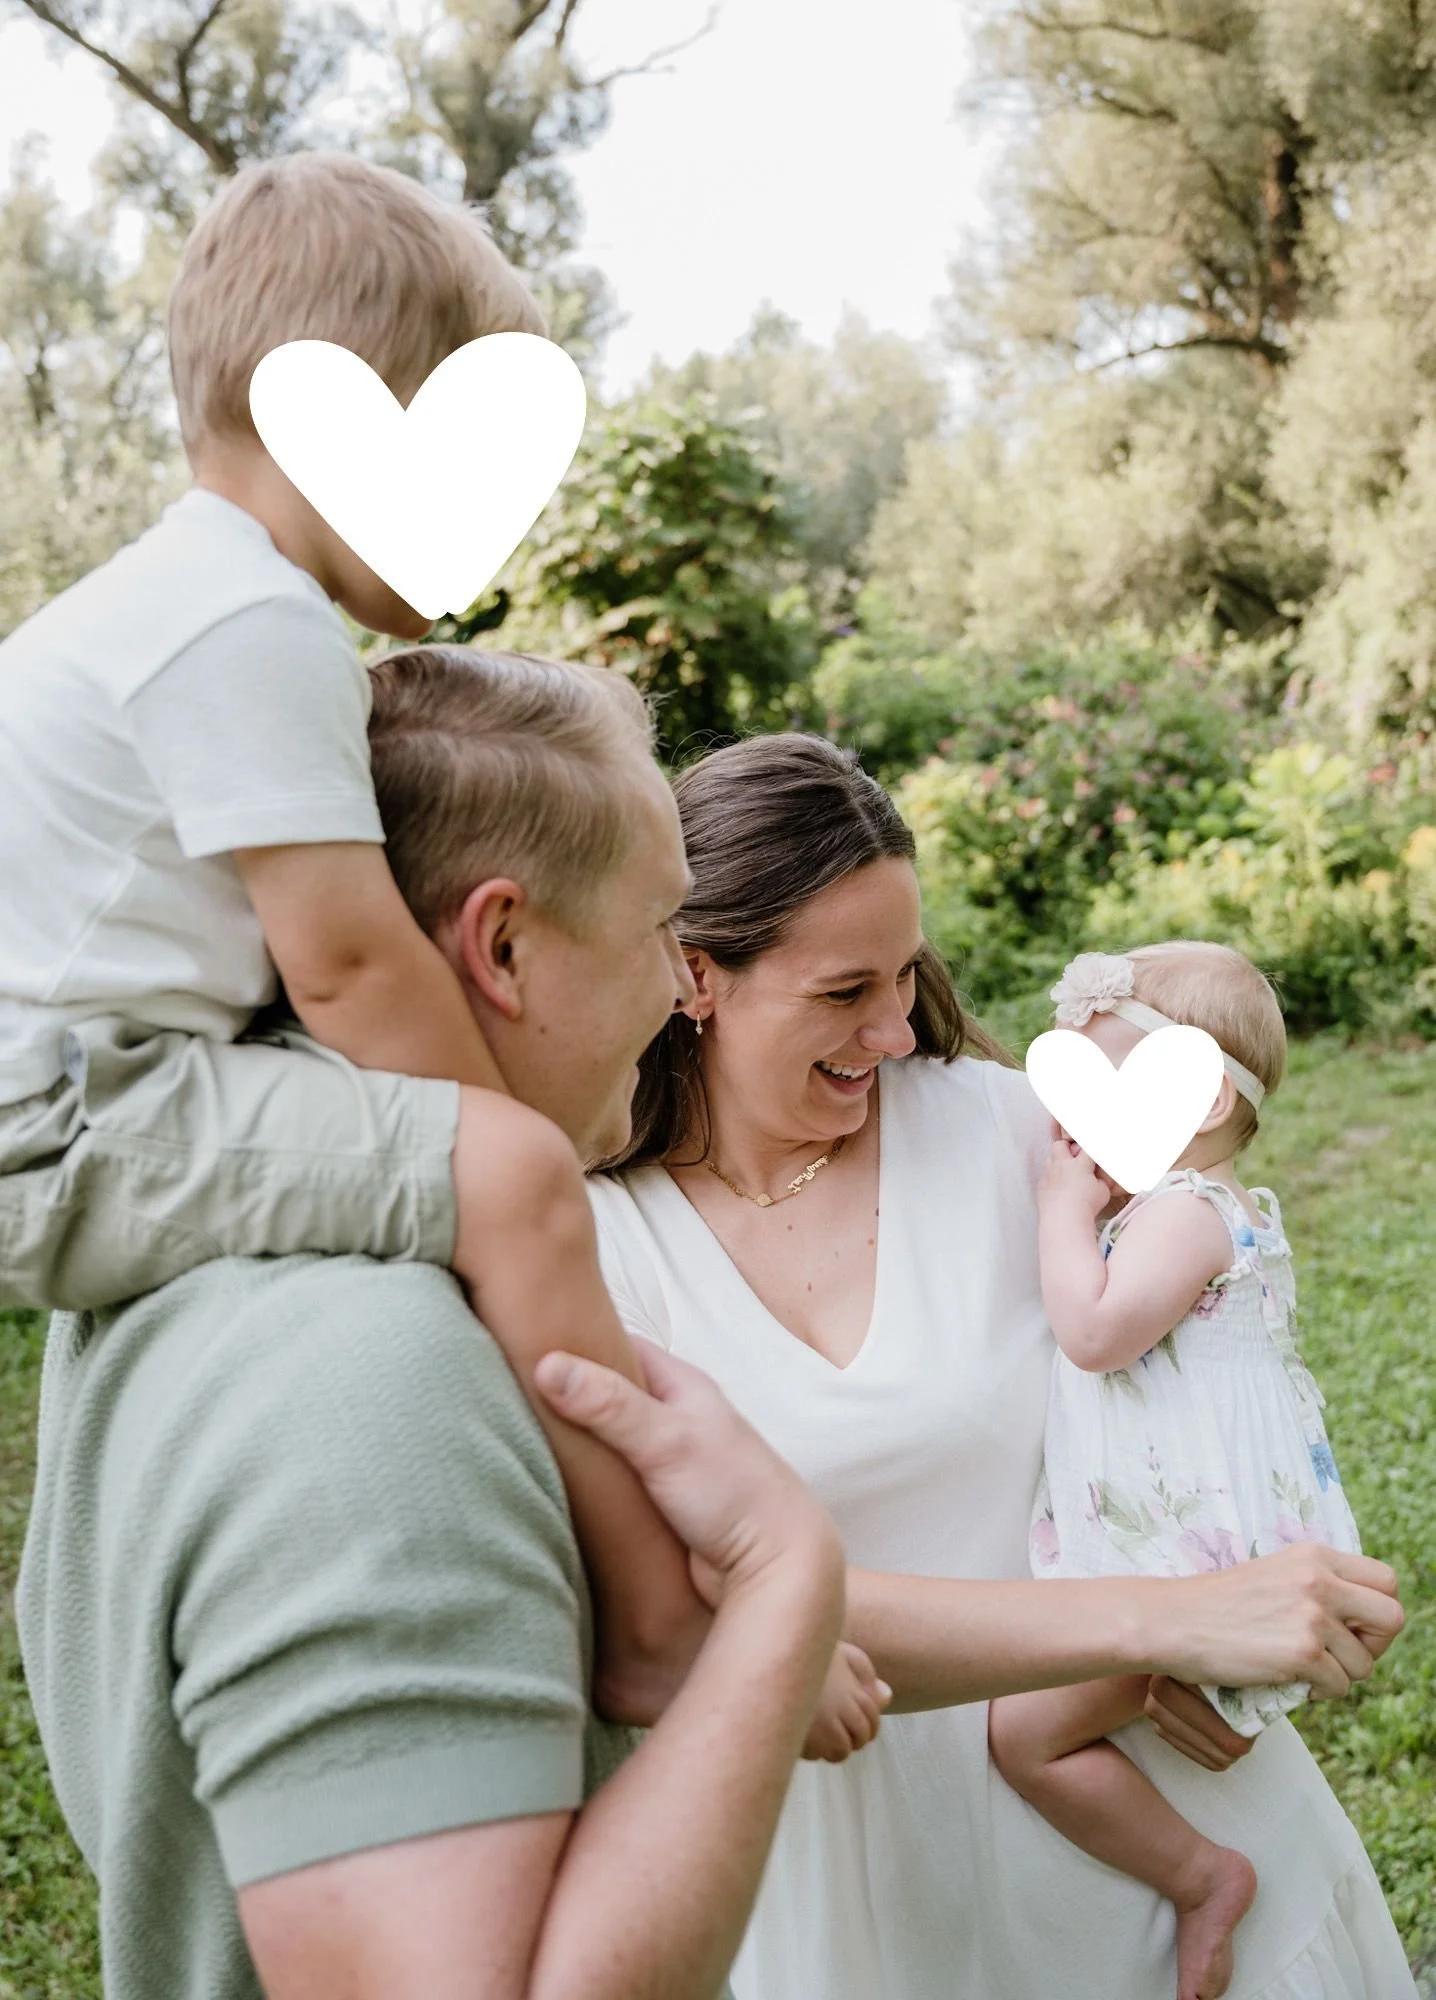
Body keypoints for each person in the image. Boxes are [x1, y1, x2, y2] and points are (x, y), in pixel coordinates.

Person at [0, 149, 732, 1727]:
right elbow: (343, 962)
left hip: (73, 1092)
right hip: (59, 1115)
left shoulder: (185, 599)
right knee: (519, 1180)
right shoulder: (250, 619)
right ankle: (657, 1612)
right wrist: (487, 1141)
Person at [16, 646, 869, 2000]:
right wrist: (783, 1592)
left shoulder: (185, 1239)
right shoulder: (379, 1391)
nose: (674, 990)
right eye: (659, 927)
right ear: (505, 943)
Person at [588, 732, 1416, 2000]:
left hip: (1141, 1813)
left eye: (904, 975)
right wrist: (1157, 1618)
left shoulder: (1012, 1134)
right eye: (840, 990)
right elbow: (680, 1621)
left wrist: (1240, 1575)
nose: (891, 1027)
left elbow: (1211, 1357)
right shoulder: (599, 1240)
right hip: (849, 1876)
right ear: (695, 974)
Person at [988, 943, 1364, 2000]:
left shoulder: (1185, 1214)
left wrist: (1061, 1215)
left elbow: (1096, 1331)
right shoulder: (1190, 1210)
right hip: (1181, 1545)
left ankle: (1202, 1877)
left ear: (1189, 1099)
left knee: (1024, 1733)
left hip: (1179, 1562)